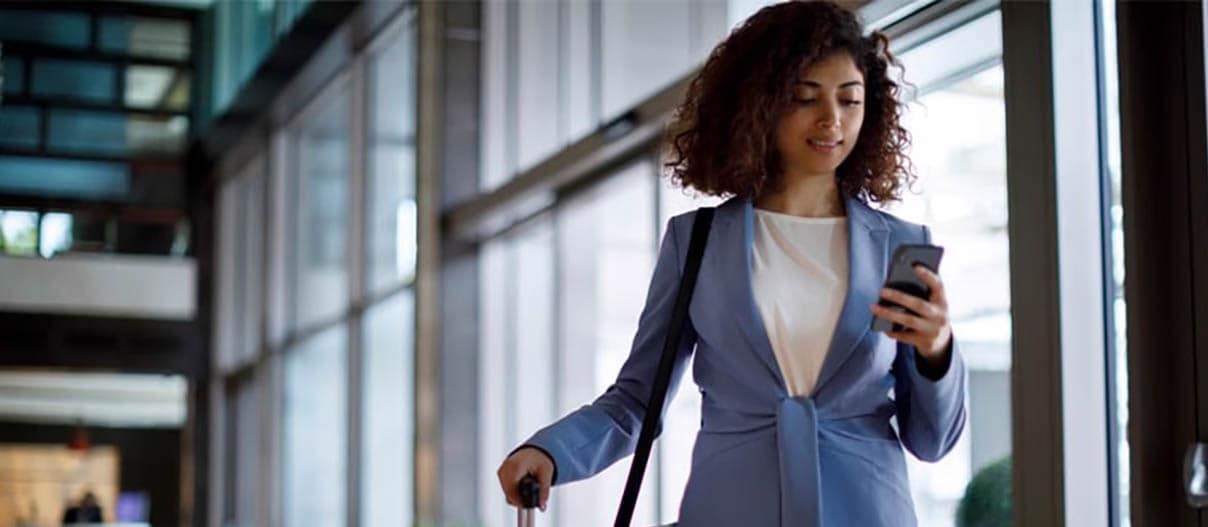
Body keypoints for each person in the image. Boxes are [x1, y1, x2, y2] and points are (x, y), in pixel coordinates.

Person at [496, 1, 966, 525]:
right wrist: (552, 452)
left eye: (850, 100)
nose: (831, 120)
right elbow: (637, 402)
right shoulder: (697, 242)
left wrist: (936, 351)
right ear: (760, 105)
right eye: (803, 98)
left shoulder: (899, 247)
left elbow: (933, 441)